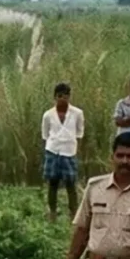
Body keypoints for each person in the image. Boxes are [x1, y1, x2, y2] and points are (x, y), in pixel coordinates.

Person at [43, 83, 87, 220]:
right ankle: (52, 212)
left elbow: (80, 133)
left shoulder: (77, 113)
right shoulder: (48, 115)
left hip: (69, 151)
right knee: (53, 183)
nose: (63, 99)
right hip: (53, 150)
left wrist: (76, 150)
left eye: (66, 96)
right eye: (60, 96)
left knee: (70, 183)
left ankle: (73, 213)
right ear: (55, 97)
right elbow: (45, 134)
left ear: (69, 97)